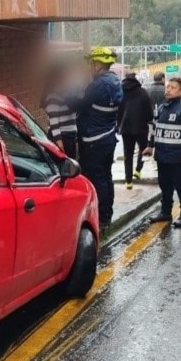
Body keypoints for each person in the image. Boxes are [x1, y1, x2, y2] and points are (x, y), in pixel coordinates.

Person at [69, 46, 123, 229]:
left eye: (92, 63)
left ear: (99, 64)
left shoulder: (99, 84)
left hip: (94, 140)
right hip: (106, 138)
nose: (90, 67)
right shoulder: (114, 81)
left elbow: (77, 104)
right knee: (106, 176)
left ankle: (100, 218)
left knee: (96, 178)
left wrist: (65, 94)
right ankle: (106, 215)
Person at [143, 77, 181, 229]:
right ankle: (165, 212)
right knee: (164, 185)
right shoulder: (161, 108)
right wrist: (150, 145)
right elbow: (154, 128)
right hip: (162, 155)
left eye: (173, 87)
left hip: (178, 156)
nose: (168, 90)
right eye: (168, 87)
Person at [116, 72, 152, 189]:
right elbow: (148, 111)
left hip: (125, 127)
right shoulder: (142, 92)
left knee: (128, 154)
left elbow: (117, 109)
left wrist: (119, 124)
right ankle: (138, 170)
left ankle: (128, 181)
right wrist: (149, 120)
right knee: (143, 149)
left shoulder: (120, 92)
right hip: (141, 127)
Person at [41, 63, 78, 157]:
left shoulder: (65, 94)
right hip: (62, 137)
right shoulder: (53, 96)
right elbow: (54, 123)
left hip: (69, 136)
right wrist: (59, 142)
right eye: (65, 75)